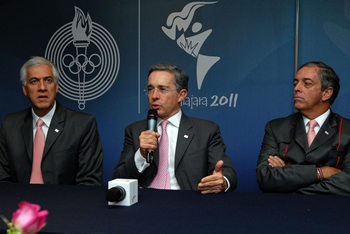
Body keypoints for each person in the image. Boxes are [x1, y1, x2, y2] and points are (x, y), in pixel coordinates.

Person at [113, 63, 237, 193]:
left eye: (163, 89)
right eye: (150, 89)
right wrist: (141, 154)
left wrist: (222, 182)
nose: (154, 96)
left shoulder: (207, 130)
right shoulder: (134, 130)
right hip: (146, 203)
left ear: (181, 95)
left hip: (188, 204)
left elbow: (229, 175)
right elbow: (119, 178)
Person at [0, 56, 103, 185]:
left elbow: (89, 182)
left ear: (56, 87)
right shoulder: (9, 124)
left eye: (48, 80)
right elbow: (2, 179)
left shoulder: (83, 124)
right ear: (24, 89)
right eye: (34, 81)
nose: (42, 87)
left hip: (65, 203)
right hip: (20, 203)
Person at [256, 61, 350, 195]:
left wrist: (288, 184)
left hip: (332, 210)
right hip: (284, 210)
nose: (297, 88)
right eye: (295, 83)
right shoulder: (276, 127)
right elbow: (265, 178)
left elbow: (347, 183)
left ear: (327, 93)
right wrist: (321, 172)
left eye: (307, 83)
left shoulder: (347, 129)